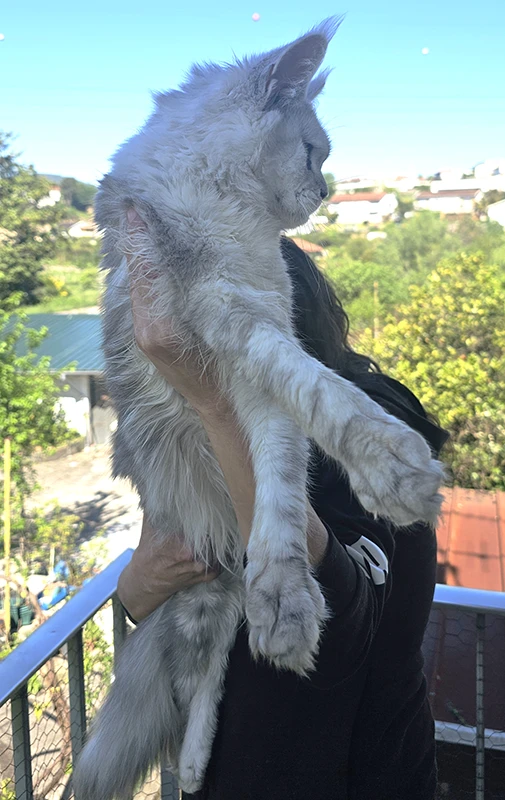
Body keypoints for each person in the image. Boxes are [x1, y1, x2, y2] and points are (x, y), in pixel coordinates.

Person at [117, 212, 449, 800]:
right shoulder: (195, 445)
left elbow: (339, 628)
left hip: (360, 773)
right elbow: (162, 602)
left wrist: (218, 403)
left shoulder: (364, 430)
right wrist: (137, 584)